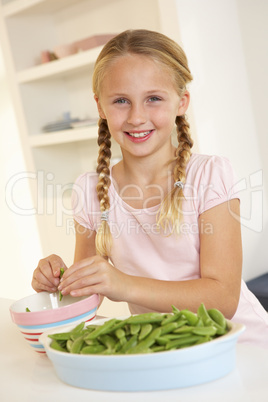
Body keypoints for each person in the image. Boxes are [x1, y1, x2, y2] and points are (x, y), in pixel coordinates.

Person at [32, 29, 268, 347]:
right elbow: (87, 292)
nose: (137, 117)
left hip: (244, 349)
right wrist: (59, 281)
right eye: (121, 101)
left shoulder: (210, 175)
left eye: (153, 99)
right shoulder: (90, 190)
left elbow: (223, 298)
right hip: (165, 352)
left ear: (181, 102)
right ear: (100, 107)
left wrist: (123, 284)